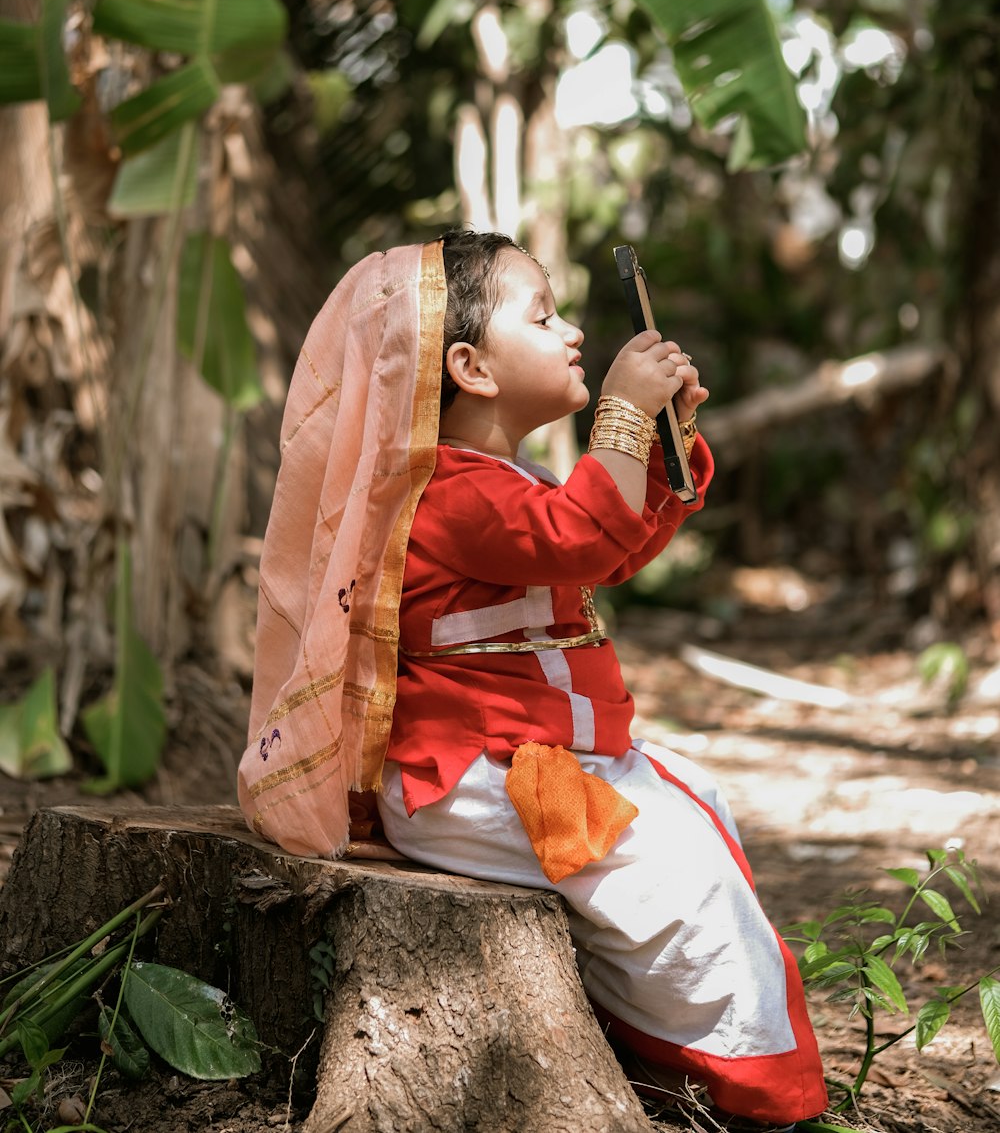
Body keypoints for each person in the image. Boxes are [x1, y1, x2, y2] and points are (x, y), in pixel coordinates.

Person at [238, 230, 828, 1131]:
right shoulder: (443, 493)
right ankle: (738, 1086)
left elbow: (607, 550)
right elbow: (575, 537)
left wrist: (659, 451)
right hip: (472, 777)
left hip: (527, 764)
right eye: (544, 314)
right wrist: (623, 420)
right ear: (469, 366)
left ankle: (689, 1051)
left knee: (694, 806)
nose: (574, 332)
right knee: (679, 873)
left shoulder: (506, 480)